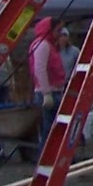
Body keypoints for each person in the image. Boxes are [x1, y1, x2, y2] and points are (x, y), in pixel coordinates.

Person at [28, 17, 65, 153]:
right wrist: (46, 93)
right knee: (49, 130)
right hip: (49, 93)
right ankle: (47, 157)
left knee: (50, 129)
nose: (60, 34)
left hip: (52, 91)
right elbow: (40, 69)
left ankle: (50, 156)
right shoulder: (43, 45)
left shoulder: (48, 44)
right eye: (58, 30)